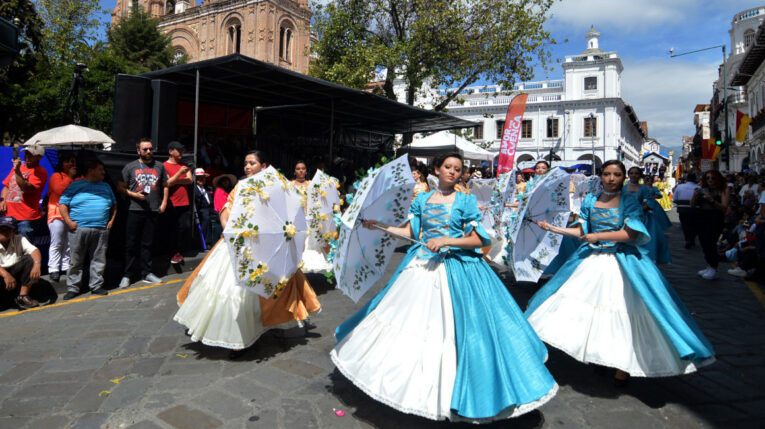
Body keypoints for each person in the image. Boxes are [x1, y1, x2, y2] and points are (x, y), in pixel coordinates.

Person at [331, 152, 558, 422]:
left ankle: (460, 391)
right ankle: (413, 388)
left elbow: (478, 240)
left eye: (457, 169)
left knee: (460, 331)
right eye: (447, 167)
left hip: (457, 269)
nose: (452, 172)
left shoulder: (465, 200)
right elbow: (412, 234)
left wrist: (447, 241)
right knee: (408, 326)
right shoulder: (423, 199)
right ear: (437, 170)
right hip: (421, 269)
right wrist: (379, 226)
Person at [528, 160, 715, 386]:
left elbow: (631, 235)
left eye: (616, 174)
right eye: (606, 174)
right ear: (601, 177)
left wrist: (599, 237)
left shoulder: (629, 202)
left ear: (623, 177)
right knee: (593, 314)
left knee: (624, 313)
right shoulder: (590, 200)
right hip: (591, 261)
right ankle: (599, 356)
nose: (611, 178)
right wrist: (552, 228)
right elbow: (580, 230)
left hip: (623, 261)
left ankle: (621, 366)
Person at [174, 150, 321, 359]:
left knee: (257, 292)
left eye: (252, 163)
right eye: (245, 163)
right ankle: (233, 337)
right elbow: (226, 212)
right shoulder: (241, 186)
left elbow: (285, 217)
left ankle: (251, 333)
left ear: (263, 166)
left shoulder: (278, 189)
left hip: (264, 249)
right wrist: (231, 231)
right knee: (230, 293)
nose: (247, 166)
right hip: (236, 246)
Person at [59, 158, 116, 300]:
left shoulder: (106, 186)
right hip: (79, 229)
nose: (103, 172)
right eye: (100, 170)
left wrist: (111, 220)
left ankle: (96, 286)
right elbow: (63, 204)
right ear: (91, 171)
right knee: (76, 260)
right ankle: (73, 288)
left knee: (98, 259)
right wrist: (68, 221)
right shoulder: (75, 185)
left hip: (101, 229)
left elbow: (114, 205)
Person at [117, 138, 168, 288]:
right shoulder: (130, 167)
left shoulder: (159, 166)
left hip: (152, 210)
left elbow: (165, 185)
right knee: (131, 244)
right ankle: (127, 275)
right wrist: (134, 195)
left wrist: (164, 203)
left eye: (150, 149)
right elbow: (120, 187)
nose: (148, 152)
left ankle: (147, 272)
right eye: (145, 149)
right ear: (138, 150)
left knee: (148, 244)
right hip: (134, 209)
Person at [0, 144, 48, 244]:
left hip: (25, 219)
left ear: (39, 157)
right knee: (6, 248)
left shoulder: (40, 172)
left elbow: (25, 188)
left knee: (24, 250)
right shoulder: (19, 167)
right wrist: (3, 200)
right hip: (8, 216)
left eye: (31, 154)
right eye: (26, 153)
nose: (27, 156)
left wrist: (17, 171)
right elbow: (6, 187)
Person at [624, 168, 671, 264]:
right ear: (628, 175)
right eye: (631, 173)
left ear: (640, 175)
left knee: (643, 242)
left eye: (636, 173)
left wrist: (638, 211)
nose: (634, 175)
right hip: (625, 216)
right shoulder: (623, 188)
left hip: (642, 218)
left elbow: (649, 203)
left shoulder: (643, 189)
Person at [692, 170, 730, 280]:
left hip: (715, 218)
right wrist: (695, 196)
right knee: (703, 242)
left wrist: (712, 200)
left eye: (713, 178)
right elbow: (692, 205)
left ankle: (714, 267)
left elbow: (724, 207)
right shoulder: (702, 189)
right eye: (708, 178)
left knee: (710, 242)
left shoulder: (723, 190)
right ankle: (709, 266)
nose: (710, 181)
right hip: (701, 216)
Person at [46, 153, 77, 282]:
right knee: (57, 242)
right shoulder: (56, 176)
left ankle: (65, 266)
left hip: (72, 215)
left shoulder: (78, 178)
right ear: (61, 163)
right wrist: (70, 177)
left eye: (73, 162)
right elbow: (59, 190)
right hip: (56, 214)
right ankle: (53, 269)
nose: (70, 164)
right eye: (67, 161)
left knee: (69, 243)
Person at [0, 216, 43, 310]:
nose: (3, 232)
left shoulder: (19, 239)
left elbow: (34, 251)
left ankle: (23, 296)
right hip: (2, 274)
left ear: (14, 232)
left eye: (7, 229)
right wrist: (5, 275)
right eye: (1, 229)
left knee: (30, 260)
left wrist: (37, 264)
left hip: (15, 272)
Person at [164, 141, 193, 265]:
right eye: (179, 150)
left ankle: (178, 251)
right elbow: (167, 183)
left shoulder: (184, 164)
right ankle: (173, 253)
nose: (181, 152)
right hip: (171, 203)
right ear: (171, 151)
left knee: (184, 227)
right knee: (173, 229)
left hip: (184, 202)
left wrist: (176, 180)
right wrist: (180, 174)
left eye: (182, 150)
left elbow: (190, 180)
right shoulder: (164, 166)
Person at [673, 172, 700, 248]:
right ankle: (692, 239)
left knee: (685, 225)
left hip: (682, 209)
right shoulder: (698, 188)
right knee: (694, 225)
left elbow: (675, 199)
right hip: (695, 209)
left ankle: (688, 239)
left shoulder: (679, 187)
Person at [193, 168, 215, 248]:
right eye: (199, 177)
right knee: (205, 217)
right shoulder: (194, 189)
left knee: (220, 216)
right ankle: (206, 243)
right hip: (201, 209)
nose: (201, 179)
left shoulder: (208, 188)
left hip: (210, 209)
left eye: (203, 177)